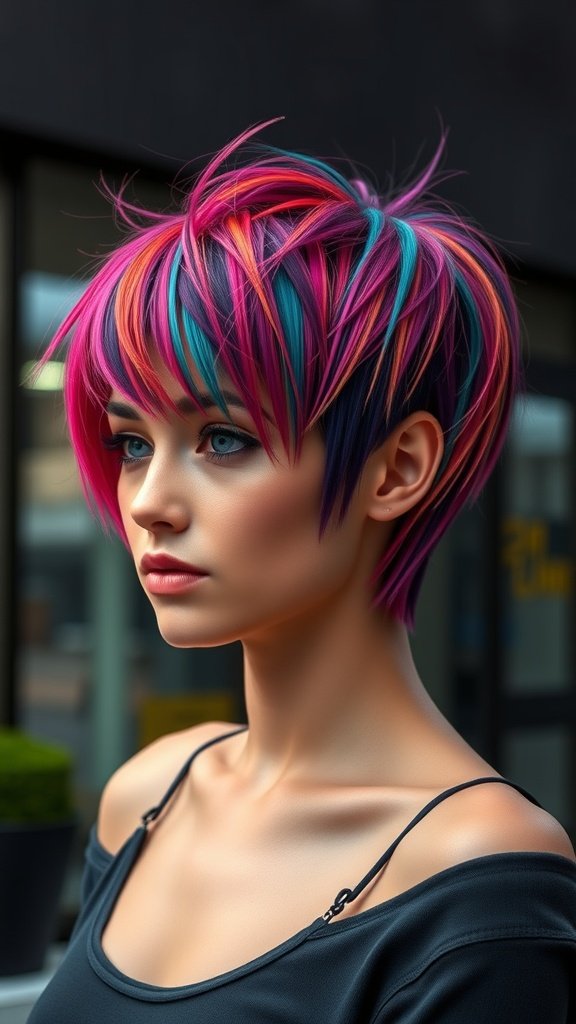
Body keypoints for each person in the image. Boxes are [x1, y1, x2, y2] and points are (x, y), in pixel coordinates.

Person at [30, 122, 575, 1022]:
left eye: (223, 439)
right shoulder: (147, 795)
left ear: (396, 468)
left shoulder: (480, 883)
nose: (150, 501)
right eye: (132, 442)